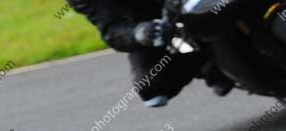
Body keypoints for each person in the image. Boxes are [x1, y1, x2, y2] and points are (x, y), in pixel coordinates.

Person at [67, 0, 233, 107]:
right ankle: (209, 64)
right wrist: (138, 33)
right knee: (150, 87)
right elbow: (111, 29)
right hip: (159, 20)